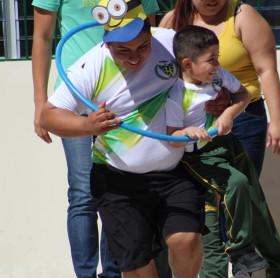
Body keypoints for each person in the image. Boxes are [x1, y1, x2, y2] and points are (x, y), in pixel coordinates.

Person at [39, 2, 205, 277]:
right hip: (118, 181)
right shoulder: (89, 67)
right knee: (137, 266)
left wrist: (221, 97)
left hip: (174, 173)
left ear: (150, 33)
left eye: (142, 47)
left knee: (186, 239)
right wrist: (86, 124)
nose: (135, 58)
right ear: (107, 43)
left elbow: (207, 69)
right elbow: (48, 116)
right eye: (123, 51)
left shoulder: (170, 43)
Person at [159, 1, 280, 276]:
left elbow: (253, 82)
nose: (217, 64)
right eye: (211, 59)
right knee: (219, 200)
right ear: (186, 63)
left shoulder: (221, 69)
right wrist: (186, 133)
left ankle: (271, 263)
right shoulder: (176, 91)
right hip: (198, 154)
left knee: (249, 197)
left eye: (218, 57)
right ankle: (233, 258)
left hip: (231, 136)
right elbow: (170, 133)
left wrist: (232, 112)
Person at [31, 0, 158, 277]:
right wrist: (41, 104)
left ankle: (114, 272)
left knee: (118, 189)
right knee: (82, 193)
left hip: (124, 96)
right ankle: (85, 274)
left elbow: (151, 33)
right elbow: (41, 37)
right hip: (74, 98)